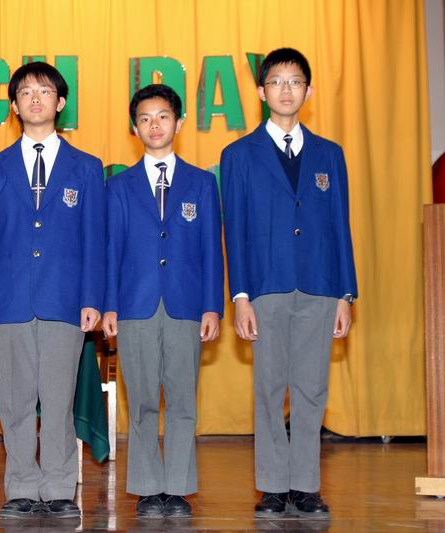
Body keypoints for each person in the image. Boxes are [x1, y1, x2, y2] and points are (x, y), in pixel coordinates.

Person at [220, 47, 358, 519]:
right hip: (266, 286)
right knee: (268, 387)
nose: (286, 89)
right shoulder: (238, 155)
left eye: (295, 81)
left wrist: (345, 294)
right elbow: (235, 230)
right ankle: (273, 486)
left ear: (308, 91)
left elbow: (340, 226)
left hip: (320, 286)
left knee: (312, 389)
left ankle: (306, 485)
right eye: (276, 82)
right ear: (261, 92)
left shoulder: (330, 154)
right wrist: (241, 296)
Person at [0, 61, 106, 519]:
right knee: (15, 401)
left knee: (59, 399)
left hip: (65, 301)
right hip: (7, 300)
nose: (35, 99)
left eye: (44, 91)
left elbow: (95, 239)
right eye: (25, 92)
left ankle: (60, 487)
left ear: (60, 102)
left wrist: (92, 298)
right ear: (13, 105)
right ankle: (22, 487)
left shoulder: (86, 167)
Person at [101, 84, 223, 518]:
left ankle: (179, 487)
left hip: (186, 305)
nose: (155, 125)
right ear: (134, 128)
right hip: (134, 305)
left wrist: (212, 306)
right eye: (145, 118)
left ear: (179, 122)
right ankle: (148, 488)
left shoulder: (202, 183)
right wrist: (109, 305)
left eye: (163, 116)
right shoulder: (118, 186)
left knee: (183, 400)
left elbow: (212, 250)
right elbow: (110, 250)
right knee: (143, 400)